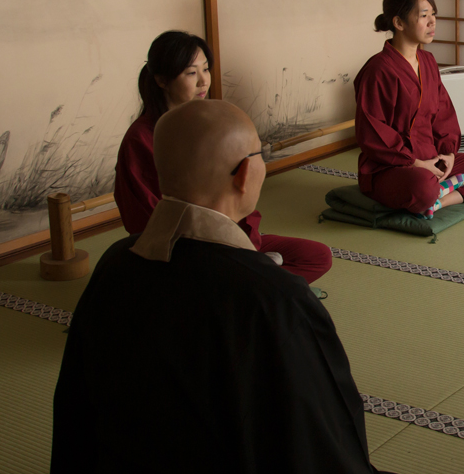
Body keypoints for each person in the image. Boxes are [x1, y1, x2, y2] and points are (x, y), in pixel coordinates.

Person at [45, 100, 431, 474]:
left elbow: (75, 410)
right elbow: (320, 447)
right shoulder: (271, 300)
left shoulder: (116, 263)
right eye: (260, 156)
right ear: (244, 175)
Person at [115, 30, 332, 285]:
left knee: (317, 256)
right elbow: (148, 220)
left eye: (205, 69)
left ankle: (248, 285)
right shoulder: (140, 139)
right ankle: (252, 285)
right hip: (182, 253)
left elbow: (241, 194)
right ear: (162, 80)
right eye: (191, 73)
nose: (203, 82)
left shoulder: (210, 123)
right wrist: (223, 249)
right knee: (258, 281)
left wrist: (246, 244)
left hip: (231, 237)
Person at [354, 0, 464, 216]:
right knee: (423, 186)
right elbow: (372, 132)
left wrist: (448, 155)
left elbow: (443, 114)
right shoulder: (378, 70)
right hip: (393, 167)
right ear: (398, 23)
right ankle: (436, 192)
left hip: (433, 159)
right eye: (424, 15)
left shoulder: (427, 61)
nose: (432, 22)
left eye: (433, 14)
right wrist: (415, 163)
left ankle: (442, 200)